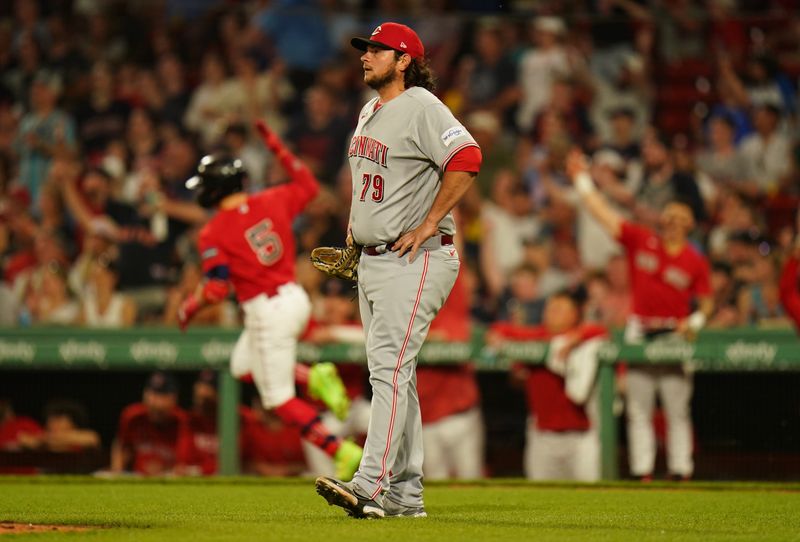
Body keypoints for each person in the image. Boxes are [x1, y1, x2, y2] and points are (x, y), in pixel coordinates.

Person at [315, 22, 481, 519]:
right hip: (375, 258)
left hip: (416, 259)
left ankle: (371, 485)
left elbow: (468, 157)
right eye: (365, 49)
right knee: (395, 376)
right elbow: (369, 180)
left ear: (404, 60)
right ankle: (406, 496)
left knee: (388, 370)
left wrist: (430, 221)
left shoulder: (424, 106)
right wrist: (354, 230)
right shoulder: (370, 109)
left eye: (378, 50)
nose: (366, 56)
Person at [177, 120, 362, 481]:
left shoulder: (213, 231)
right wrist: (278, 147)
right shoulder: (273, 198)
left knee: (277, 399)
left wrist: (189, 305)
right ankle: (313, 378)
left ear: (214, 189)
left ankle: (340, 449)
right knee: (240, 366)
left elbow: (216, 290)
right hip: (295, 298)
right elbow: (309, 187)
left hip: (266, 310)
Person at [566, 149, 713, 481]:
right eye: (669, 215)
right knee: (638, 407)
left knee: (677, 408)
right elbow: (604, 215)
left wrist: (698, 320)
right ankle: (642, 471)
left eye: (680, 217)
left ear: (689, 224)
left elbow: (706, 300)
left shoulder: (695, 260)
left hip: (675, 333)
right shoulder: (642, 240)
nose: (673, 221)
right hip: (640, 328)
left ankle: (680, 470)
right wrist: (582, 180)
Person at [490, 290, 607, 481]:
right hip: (542, 436)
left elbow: (603, 331)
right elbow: (501, 329)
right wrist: (495, 335)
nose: (553, 313)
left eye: (560, 309)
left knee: (590, 497)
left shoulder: (586, 337)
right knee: (541, 499)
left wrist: (576, 338)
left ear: (574, 314)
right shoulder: (537, 336)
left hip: (581, 435)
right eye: (550, 308)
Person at [110, 371, 190, 476]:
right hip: (137, 478)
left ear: (174, 398)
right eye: (152, 393)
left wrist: (165, 470)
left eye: (162, 395)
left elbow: (183, 465)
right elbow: (122, 447)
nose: (155, 401)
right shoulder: (132, 416)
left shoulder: (182, 420)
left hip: (168, 478)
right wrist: (117, 472)